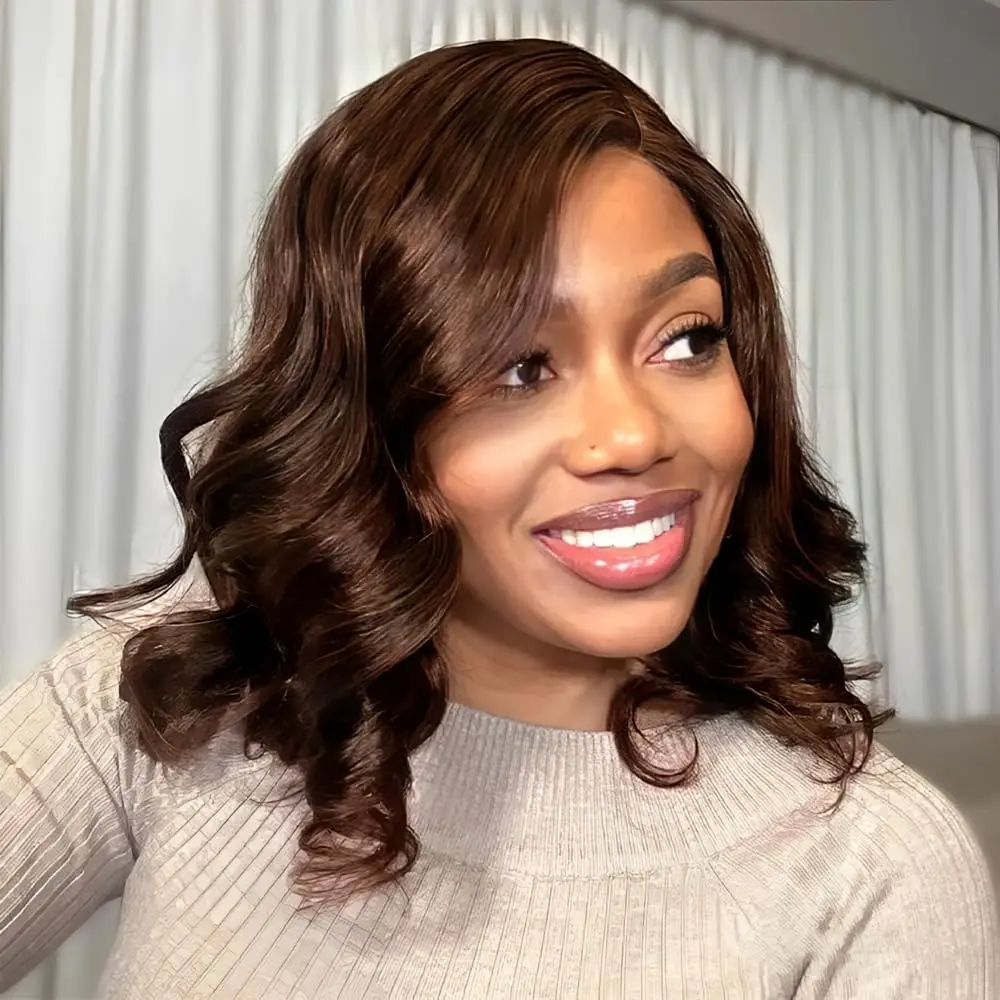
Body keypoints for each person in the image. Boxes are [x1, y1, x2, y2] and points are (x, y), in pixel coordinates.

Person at [0, 37, 996, 1000]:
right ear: (373, 421)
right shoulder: (165, 706)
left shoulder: (872, 868)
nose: (633, 435)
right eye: (520, 367)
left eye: (687, 340)